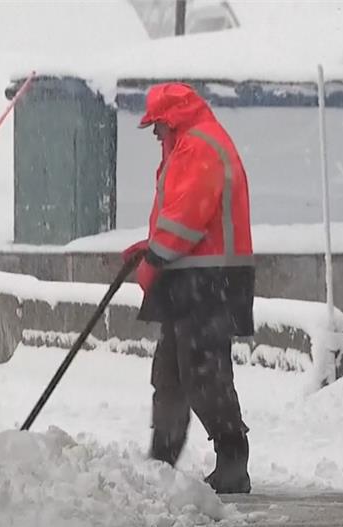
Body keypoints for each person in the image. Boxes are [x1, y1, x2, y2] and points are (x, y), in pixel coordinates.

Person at [123, 82, 255, 494]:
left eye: (157, 126)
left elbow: (188, 216)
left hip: (207, 277)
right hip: (191, 274)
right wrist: (151, 249)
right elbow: (179, 214)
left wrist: (156, 256)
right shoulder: (190, 144)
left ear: (171, 119)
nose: (155, 135)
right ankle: (161, 459)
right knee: (171, 374)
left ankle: (233, 460)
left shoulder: (198, 146)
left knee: (203, 374)